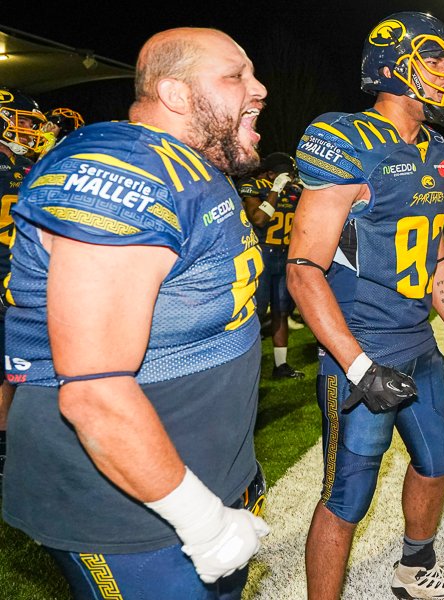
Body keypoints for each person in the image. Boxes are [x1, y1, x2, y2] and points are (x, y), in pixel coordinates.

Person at [2, 29, 270, 600]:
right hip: (128, 507)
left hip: (191, 470)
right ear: (174, 94)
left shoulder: (188, 162)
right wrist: (202, 520)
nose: (259, 89)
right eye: (235, 75)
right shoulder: (124, 167)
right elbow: (94, 391)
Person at [287, 12, 444, 600]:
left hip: (418, 342)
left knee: (438, 461)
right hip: (361, 348)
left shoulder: (438, 152)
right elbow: (303, 271)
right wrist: (359, 366)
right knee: (347, 494)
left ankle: (414, 570)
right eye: (438, 61)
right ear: (393, 64)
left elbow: (433, 257)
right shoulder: (347, 140)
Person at [0, 88, 50, 486]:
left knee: (14, 373)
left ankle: (13, 448)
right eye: (27, 121)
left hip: (19, 283)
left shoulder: (22, 163)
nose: (35, 129)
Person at [239, 151, 305, 379]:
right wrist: (275, 190)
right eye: (284, 174)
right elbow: (258, 219)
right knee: (255, 313)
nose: (289, 178)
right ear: (270, 173)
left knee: (281, 311)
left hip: (285, 254)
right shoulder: (253, 186)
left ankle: (280, 365)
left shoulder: (294, 191)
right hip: (262, 254)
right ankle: (247, 367)